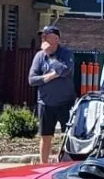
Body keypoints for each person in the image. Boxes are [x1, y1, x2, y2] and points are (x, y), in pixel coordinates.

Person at [28, 25, 76, 164]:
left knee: (67, 135)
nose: (43, 38)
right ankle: (44, 165)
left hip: (65, 102)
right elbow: (32, 79)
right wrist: (49, 77)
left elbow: (65, 70)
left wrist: (51, 56)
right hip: (45, 103)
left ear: (56, 38)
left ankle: (66, 164)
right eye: (43, 36)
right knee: (45, 136)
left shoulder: (66, 53)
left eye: (47, 36)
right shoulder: (39, 56)